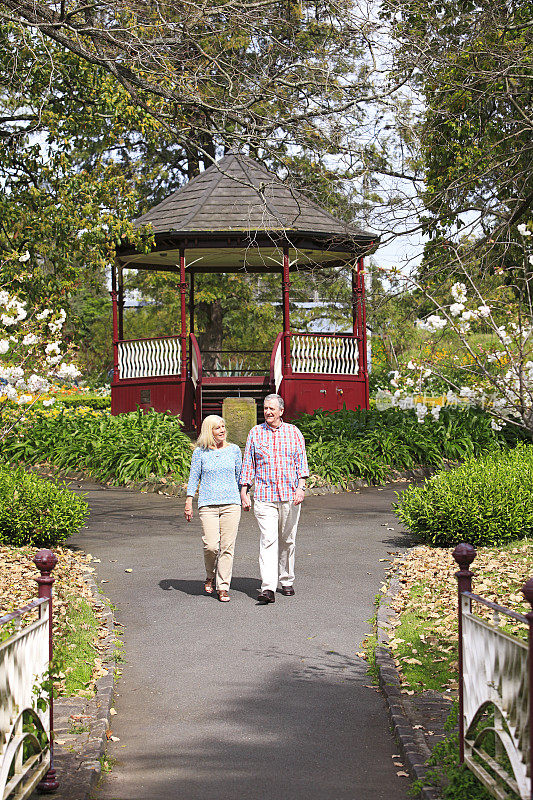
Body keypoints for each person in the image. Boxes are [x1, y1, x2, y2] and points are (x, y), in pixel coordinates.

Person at [240, 393, 309, 604]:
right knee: (268, 540)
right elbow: (248, 464)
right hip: (264, 496)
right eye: (265, 408)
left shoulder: (294, 432)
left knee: (287, 540)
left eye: (272, 409)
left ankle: (286, 580)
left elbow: (301, 464)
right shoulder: (255, 433)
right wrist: (244, 490)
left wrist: (301, 487)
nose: (268, 412)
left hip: (290, 496)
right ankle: (268, 587)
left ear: (281, 411)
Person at [184, 415, 242, 602]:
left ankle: (223, 586)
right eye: (218, 428)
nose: (222, 430)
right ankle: (210, 575)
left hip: (231, 504)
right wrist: (188, 501)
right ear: (209, 431)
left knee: (227, 547)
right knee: (211, 546)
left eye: (224, 426)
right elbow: (194, 477)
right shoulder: (200, 453)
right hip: (207, 504)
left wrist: (244, 496)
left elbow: (240, 477)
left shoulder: (233, 450)